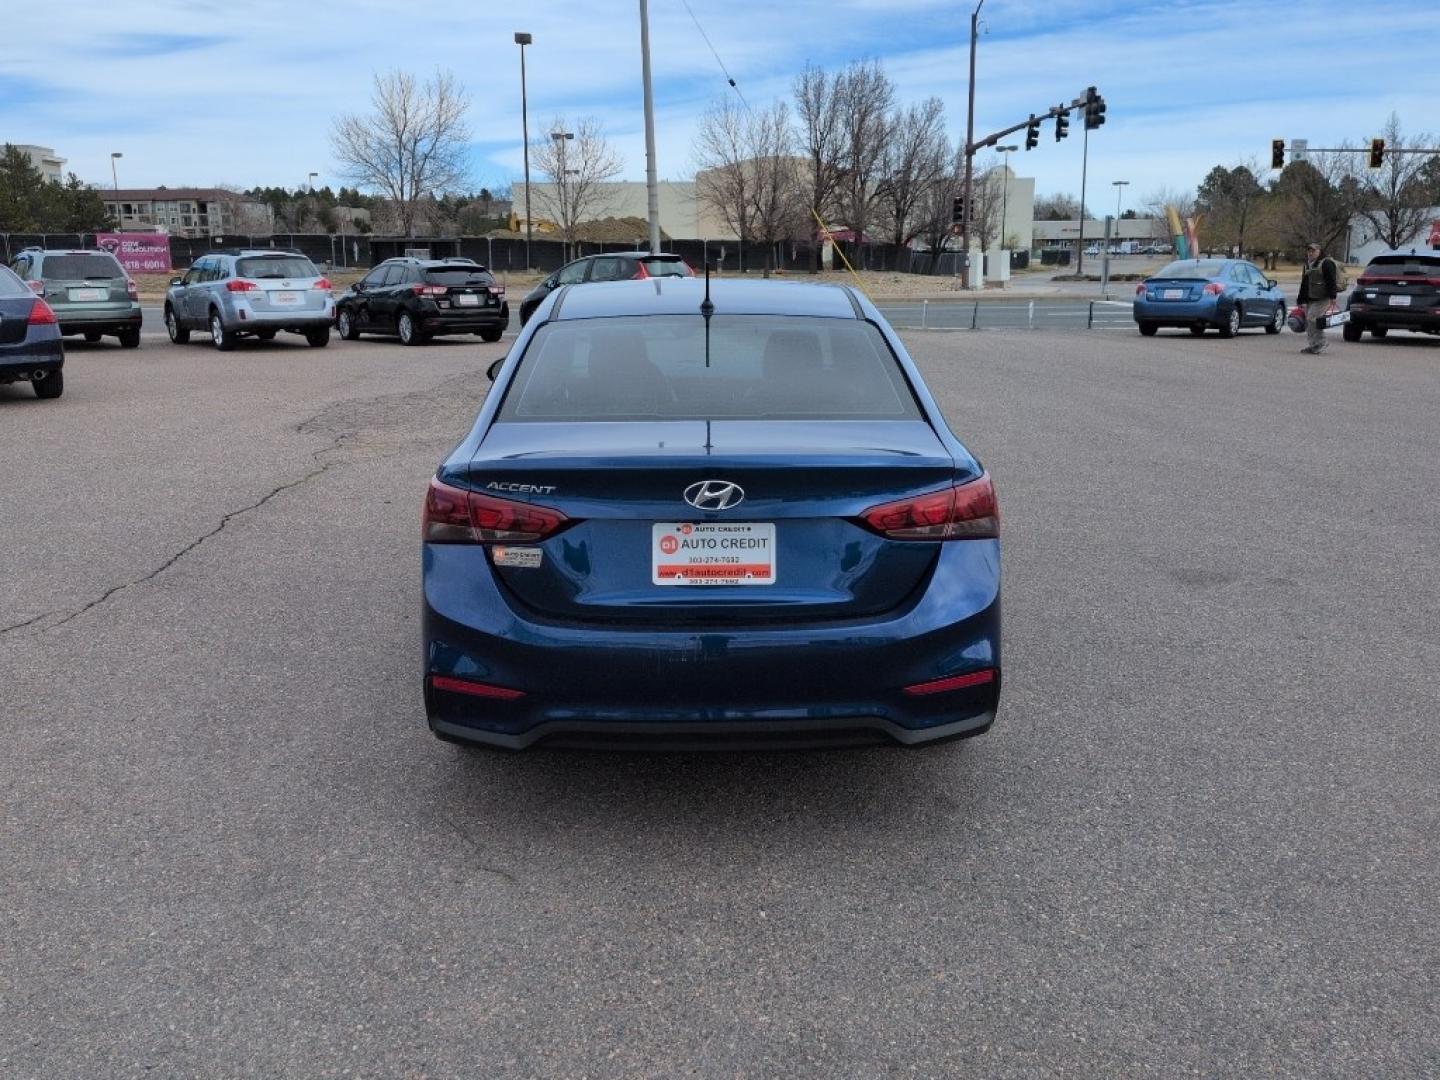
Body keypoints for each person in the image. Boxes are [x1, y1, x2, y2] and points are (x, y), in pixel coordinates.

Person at [1297, 241, 1338, 354]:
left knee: (1312, 319)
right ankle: (1313, 345)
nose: (1310, 253)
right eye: (1309, 251)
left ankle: (1322, 342)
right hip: (1310, 298)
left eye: (1313, 251)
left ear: (1319, 251)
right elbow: (1304, 283)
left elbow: (1331, 281)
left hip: (1322, 298)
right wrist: (1300, 299)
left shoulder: (1326, 263)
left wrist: (1333, 297)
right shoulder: (1308, 265)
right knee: (1309, 321)